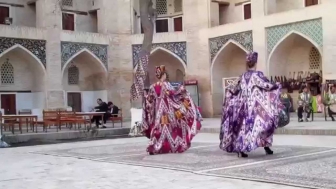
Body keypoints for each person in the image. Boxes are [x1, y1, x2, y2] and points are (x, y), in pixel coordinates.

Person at [219, 51, 283, 158]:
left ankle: (242, 149)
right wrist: (276, 85)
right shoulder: (257, 75)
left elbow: (234, 89)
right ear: (255, 63)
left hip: (243, 107)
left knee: (243, 128)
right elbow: (266, 85)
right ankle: (265, 146)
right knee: (264, 123)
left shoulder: (242, 77)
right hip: (255, 108)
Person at [140, 65, 202, 155]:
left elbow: (149, 101)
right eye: (165, 74)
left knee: (158, 128)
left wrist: (151, 112)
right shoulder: (167, 85)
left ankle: (156, 146)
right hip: (168, 112)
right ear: (163, 75)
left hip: (158, 113)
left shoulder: (152, 87)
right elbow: (175, 95)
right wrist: (183, 92)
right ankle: (170, 146)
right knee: (170, 128)